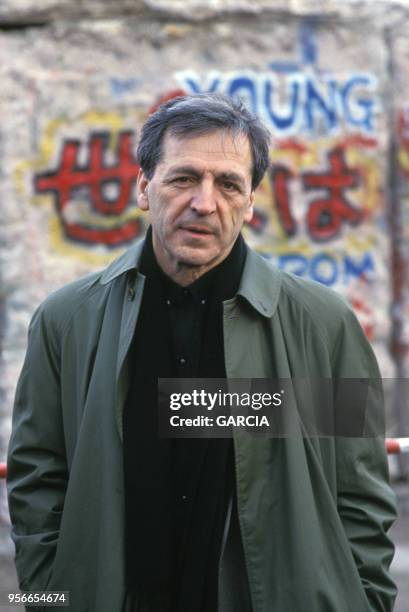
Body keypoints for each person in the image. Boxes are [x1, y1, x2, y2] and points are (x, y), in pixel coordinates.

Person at [7, 93, 397, 612]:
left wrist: (363, 602)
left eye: (229, 184)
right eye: (184, 178)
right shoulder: (66, 321)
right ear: (145, 187)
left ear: (251, 202)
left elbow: (361, 491)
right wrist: (48, 597)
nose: (205, 203)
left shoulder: (324, 324)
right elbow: (38, 480)